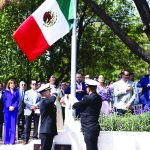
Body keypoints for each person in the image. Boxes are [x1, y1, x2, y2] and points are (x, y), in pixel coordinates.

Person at [72, 79, 102, 150]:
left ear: (88, 88)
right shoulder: (98, 97)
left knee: (90, 147)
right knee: (94, 147)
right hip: (94, 127)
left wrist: (73, 105)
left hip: (88, 128)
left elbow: (76, 105)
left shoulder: (88, 98)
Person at [37, 83, 58, 150]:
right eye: (49, 91)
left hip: (49, 130)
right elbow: (52, 100)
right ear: (45, 93)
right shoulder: (43, 101)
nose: (50, 93)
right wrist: (54, 94)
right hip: (45, 130)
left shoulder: (47, 101)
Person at [23, 80, 41, 144]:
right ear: (30, 85)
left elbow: (41, 101)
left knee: (36, 125)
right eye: (33, 84)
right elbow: (25, 100)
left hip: (36, 110)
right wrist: (31, 106)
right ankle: (26, 139)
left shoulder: (39, 92)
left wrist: (36, 106)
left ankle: (35, 138)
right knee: (27, 125)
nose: (35, 85)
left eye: (36, 84)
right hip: (29, 110)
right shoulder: (27, 92)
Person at [3, 79, 19, 145]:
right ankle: (6, 141)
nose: (12, 84)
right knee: (7, 125)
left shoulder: (17, 91)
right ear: (9, 85)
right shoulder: (6, 92)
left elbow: (18, 100)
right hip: (7, 110)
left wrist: (13, 106)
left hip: (14, 110)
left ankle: (12, 141)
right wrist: (9, 106)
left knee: (13, 125)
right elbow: (4, 100)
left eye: (13, 83)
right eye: (11, 83)